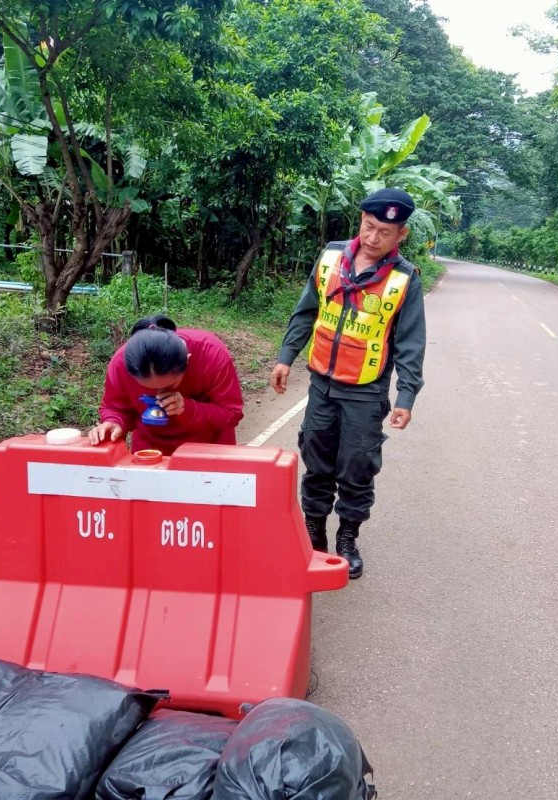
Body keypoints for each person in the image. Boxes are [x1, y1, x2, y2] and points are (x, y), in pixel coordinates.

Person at [271, 188, 427, 579]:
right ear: (360, 219)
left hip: (366, 390)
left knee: (357, 467)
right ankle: (314, 532)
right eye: (369, 226)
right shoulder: (330, 258)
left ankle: (347, 538)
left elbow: (410, 342)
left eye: (385, 232)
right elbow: (306, 310)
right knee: (317, 460)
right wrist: (286, 356)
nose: (373, 238)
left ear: (401, 234)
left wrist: (405, 396)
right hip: (321, 383)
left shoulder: (404, 279)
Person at [88, 314, 244, 456]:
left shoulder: (211, 353)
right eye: (148, 388)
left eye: (170, 385)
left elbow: (231, 412)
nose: (159, 394)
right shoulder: (121, 362)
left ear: (188, 360)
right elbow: (115, 407)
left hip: (210, 449)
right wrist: (114, 422)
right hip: (151, 451)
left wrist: (187, 408)